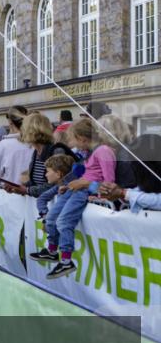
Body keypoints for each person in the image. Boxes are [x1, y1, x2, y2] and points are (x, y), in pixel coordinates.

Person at [29, 118, 115, 279]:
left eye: (73, 139)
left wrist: (87, 187)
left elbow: (108, 181)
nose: (71, 144)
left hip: (82, 191)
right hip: (75, 189)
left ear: (82, 138)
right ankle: (53, 250)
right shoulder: (91, 153)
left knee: (63, 222)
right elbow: (88, 174)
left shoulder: (103, 151)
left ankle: (66, 260)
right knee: (51, 218)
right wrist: (69, 184)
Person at [99, 134, 161, 213]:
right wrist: (115, 192)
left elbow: (158, 200)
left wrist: (123, 193)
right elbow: (141, 192)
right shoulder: (151, 180)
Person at [17, 113, 70, 198]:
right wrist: (18, 187)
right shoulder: (36, 152)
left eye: (23, 128)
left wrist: (27, 190)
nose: (21, 131)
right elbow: (36, 182)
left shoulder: (56, 151)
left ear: (31, 130)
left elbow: (55, 185)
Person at [0, 105, 31, 187]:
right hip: (32, 194)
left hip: (8, 193)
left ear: (10, 122)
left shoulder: (3, 145)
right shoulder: (35, 143)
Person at [34, 153, 77, 220]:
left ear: (58, 174)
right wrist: (44, 214)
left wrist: (48, 219)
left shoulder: (74, 186)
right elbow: (42, 198)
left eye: (47, 171)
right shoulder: (58, 186)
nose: (46, 175)